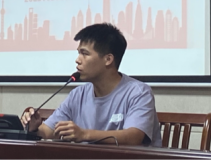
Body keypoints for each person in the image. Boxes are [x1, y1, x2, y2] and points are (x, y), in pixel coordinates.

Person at [21, 23, 162, 146]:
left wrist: (84, 135)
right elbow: (48, 131)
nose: (77, 60)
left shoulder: (138, 92)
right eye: (78, 53)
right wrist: (34, 129)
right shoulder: (78, 95)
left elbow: (134, 137)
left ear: (108, 59)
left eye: (85, 54)